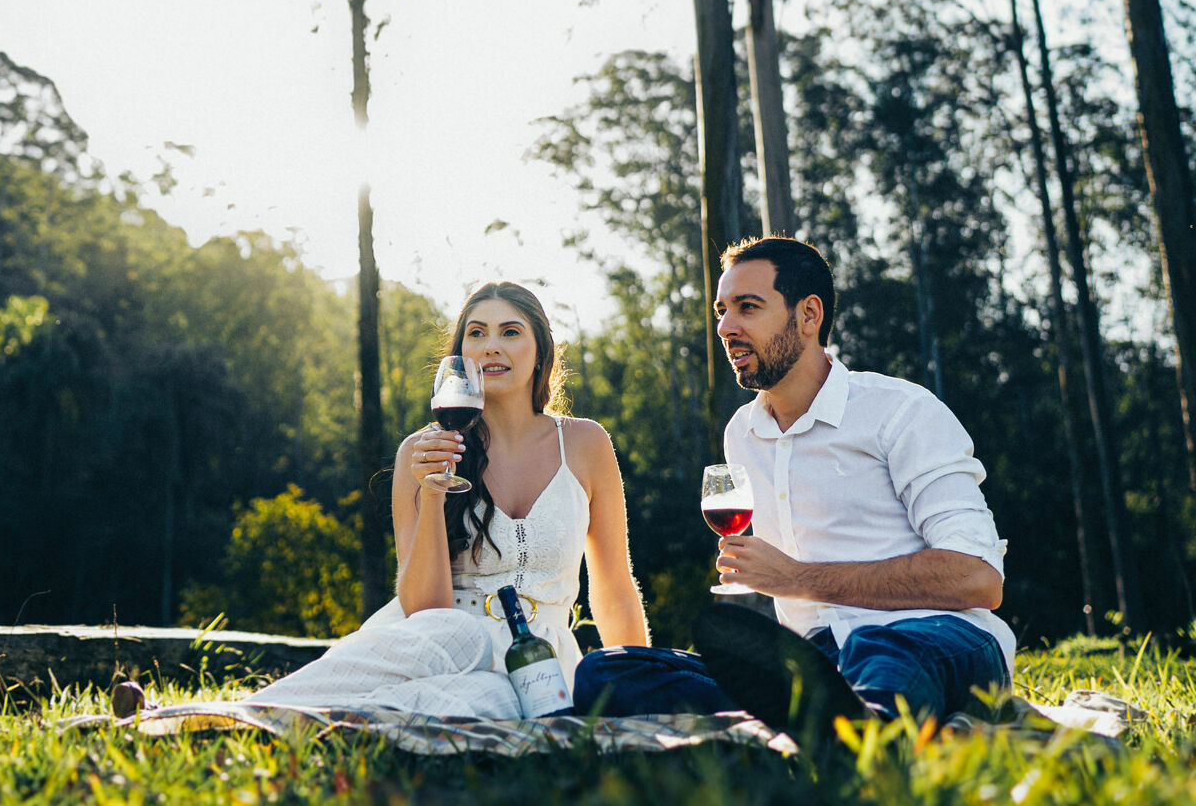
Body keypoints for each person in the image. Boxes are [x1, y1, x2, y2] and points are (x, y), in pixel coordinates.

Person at [574, 236, 1013, 735]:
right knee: (608, 673)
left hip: (933, 639)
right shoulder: (742, 433)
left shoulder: (902, 412)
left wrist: (799, 577)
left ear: (809, 315)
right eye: (721, 311)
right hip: (812, 659)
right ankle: (818, 723)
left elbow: (978, 578)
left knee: (879, 649)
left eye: (748, 307)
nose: (725, 327)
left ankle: (858, 741)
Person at [246, 281, 650, 717]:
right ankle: (247, 713)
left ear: (541, 351)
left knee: (439, 708)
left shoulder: (586, 444)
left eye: (510, 332)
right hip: (439, 640)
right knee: (452, 636)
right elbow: (424, 609)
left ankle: (294, 719)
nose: (491, 346)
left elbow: (614, 589)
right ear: (460, 358)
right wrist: (434, 492)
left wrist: (641, 690)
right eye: (476, 334)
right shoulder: (418, 453)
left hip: (540, 662)